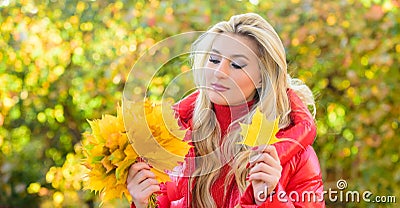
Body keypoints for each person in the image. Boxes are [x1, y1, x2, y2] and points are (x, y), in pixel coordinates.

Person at [127, 13, 324, 208]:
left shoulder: (295, 152)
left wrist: (270, 198)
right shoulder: (172, 137)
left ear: (262, 77)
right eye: (213, 60)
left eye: (237, 65)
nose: (219, 72)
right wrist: (142, 203)